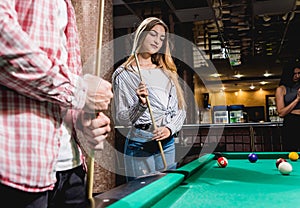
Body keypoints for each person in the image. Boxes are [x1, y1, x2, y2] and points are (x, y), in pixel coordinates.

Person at [0, 1, 113, 208]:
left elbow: (61, 95)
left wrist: (81, 121)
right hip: (18, 168)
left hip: (71, 166)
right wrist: (80, 91)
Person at [112, 17, 186, 181]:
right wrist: (140, 105)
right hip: (139, 142)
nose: (157, 41)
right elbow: (121, 118)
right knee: (142, 193)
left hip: (167, 143)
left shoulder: (167, 72)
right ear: (140, 36)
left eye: (161, 38)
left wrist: (169, 129)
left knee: (167, 190)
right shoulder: (123, 74)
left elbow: (180, 112)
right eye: (153, 34)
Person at [275, 61, 300, 151]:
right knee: (291, 151)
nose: (297, 76)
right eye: (294, 74)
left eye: (299, 73)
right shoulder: (281, 89)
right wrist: (297, 99)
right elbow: (281, 113)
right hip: (291, 122)